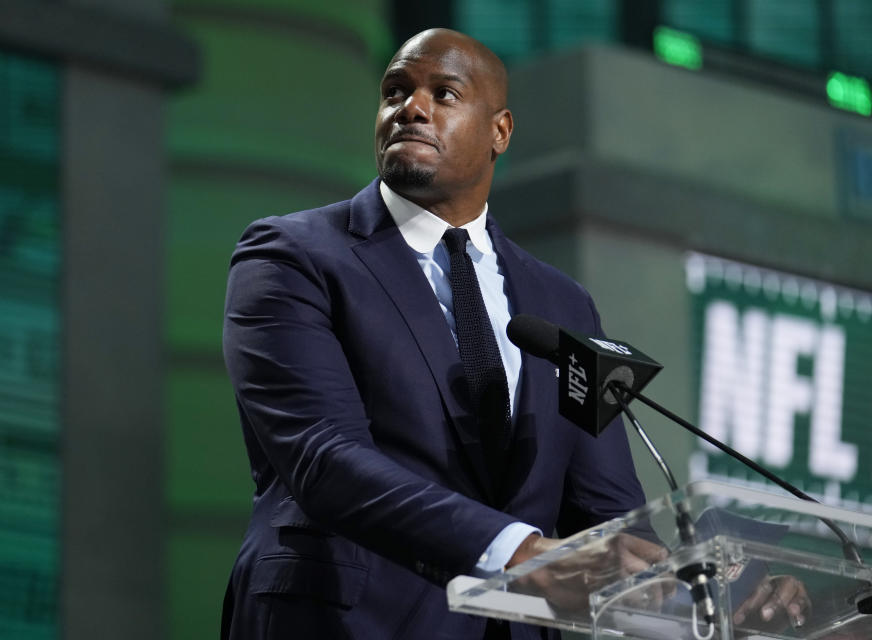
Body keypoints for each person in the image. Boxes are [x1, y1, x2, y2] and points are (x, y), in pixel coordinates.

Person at [219, 28, 804, 640]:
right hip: (343, 618)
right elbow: (323, 458)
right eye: (395, 92)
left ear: (500, 131)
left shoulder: (564, 303)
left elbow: (608, 516)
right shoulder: (293, 255)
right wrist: (521, 554)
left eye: (444, 94)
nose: (410, 109)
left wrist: (712, 590)